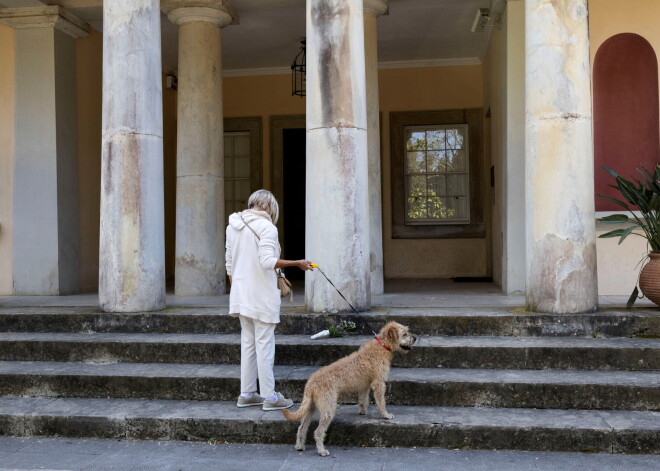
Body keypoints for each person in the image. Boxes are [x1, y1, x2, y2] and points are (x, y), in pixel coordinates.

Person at [225, 189, 313, 411]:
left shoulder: (233, 225)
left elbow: (229, 263)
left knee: (248, 343)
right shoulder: (267, 227)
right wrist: (297, 263)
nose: (273, 210)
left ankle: (246, 394)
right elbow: (266, 261)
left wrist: (239, 285)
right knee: (264, 344)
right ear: (266, 205)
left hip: (241, 292)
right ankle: (270, 397)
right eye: (272, 206)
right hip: (261, 294)